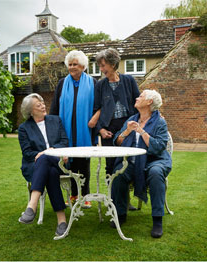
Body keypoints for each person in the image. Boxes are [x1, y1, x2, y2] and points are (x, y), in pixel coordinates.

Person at [111, 90, 172, 238]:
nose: (137, 98)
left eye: (141, 96)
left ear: (149, 102)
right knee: (119, 173)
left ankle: (157, 220)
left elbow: (158, 147)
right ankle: (120, 213)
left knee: (156, 173)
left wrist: (141, 131)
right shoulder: (132, 119)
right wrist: (126, 131)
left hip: (155, 160)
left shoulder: (160, 122)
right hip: (133, 161)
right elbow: (117, 142)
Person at [50, 50, 97, 208]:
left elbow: (99, 106)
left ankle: (85, 195)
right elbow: (55, 108)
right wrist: (54, 129)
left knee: (84, 163)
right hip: (66, 131)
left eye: (75, 64)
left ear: (83, 66)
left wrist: (95, 120)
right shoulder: (62, 83)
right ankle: (73, 195)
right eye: (69, 64)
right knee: (69, 164)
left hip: (85, 131)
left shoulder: (93, 83)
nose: (71, 67)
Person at [18, 93, 69, 236]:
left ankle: (31, 206)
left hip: (59, 161)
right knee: (50, 172)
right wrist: (43, 154)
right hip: (35, 166)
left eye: (42, 103)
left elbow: (64, 142)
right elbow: (27, 153)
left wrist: (50, 151)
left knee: (46, 158)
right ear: (31, 111)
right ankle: (62, 220)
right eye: (38, 105)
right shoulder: (24, 128)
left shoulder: (55, 120)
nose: (43, 105)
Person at [93, 48, 140, 176]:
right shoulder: (100, 85)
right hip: (109, 129)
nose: (101, 69)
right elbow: (96, 110)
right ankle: (111, 194)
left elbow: (138, 103)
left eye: (103, 66)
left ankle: (124, 193)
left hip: (128, 125)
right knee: (110, 164)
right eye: (99, 66)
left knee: (129, 161)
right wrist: (100, 130)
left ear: (113, 64)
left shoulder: (128, 80)